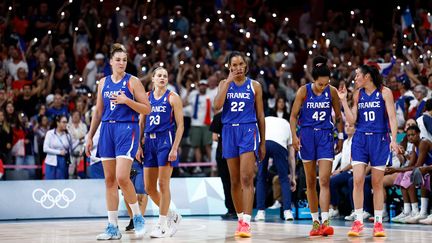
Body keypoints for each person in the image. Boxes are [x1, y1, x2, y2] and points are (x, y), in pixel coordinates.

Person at [85, 43, 151, 240]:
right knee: (110, 181)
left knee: (122, 177)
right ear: (111, 62)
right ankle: (112, 227)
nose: (121, 63)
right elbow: (98, 112)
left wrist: (127, 101)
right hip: (106, 129)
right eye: (118, 60)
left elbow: (146, 109)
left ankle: (138, 218)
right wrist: (90, 135)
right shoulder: (103, 82)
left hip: (126, 128)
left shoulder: (134, 82)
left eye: (124, 60)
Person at [338, 64, 401, 237]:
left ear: (367, 77)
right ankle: (358, 221)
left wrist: (394, 140)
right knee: (357, 180)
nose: (355, 78)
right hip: (360, 139)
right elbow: (351, 121)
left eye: (358, 75)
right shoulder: (358, 94)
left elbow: (393, 118)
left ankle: (378, 223)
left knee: (376, 183)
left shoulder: (385, 92)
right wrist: (343, 100)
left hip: (379, 139)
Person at [214, 51, 266, 238]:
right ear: (229, 67)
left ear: (246, 66)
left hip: (248, 130)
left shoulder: (255, 86)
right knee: (234, 180)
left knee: (246, 178)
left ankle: (246, 221)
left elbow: (260, 115)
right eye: (233, 65)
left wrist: (262, 143)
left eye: (240, 64)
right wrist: (227, 82)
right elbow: (216, 106)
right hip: (228, 131)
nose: (237, 68)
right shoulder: (224, 84)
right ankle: (239, 219)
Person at [289, 55, 343, 236]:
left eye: (326, 83)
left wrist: (341, 137)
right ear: (314, 80)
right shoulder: (303, 91)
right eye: (320, 84)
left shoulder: (332, 91)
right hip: (306, 136)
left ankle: (326, 221)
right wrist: (294, 137)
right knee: (310, 182)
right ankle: (315, 223)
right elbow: (293, 116)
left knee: (325, 180)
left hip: (325, 136)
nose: (323, 86)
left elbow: (339, 116)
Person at [137, 67, 184, 238]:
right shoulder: (146, 98)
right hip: (149, 142)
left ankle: (162, 224)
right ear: (153, 78)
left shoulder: (173, 98)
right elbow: (141, 123)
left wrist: (174, 147)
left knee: (163, 184)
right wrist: (138, 145)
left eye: (165, 75)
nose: (162, 77)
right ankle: (173, 215)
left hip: (165, 141)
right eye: (159, 75)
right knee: (149, 187)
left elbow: (181, 126)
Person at [255, 116, 296, 221]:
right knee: (283, 179)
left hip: (263, 143)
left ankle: (260, 212)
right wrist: (292, 176)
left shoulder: (265, 119)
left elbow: (254, 137)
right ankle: (287, 212)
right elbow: (291, 156)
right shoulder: (287, 124)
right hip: (279, 145)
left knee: (261, 178)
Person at [209, 112, 237, 220]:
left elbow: (215, 137)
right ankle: (239, 209)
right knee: (237, 181)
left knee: (226, 182)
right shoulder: (236, 114)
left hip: (222, 151)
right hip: (235, 151)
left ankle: (231, 210)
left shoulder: (218, 116)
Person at [43, 115, 72, 179]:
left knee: (62, 185)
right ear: (58, 123)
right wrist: (59, 152)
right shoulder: (50, 133)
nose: (65, 124)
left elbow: (70, 148)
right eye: (63, 122)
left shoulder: (67, 135)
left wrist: (79, 142)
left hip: (63, 162)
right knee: (50, 185)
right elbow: (45, 149)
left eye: (66, 122)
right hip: (51, 163)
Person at [124, 159, 148, 232]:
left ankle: (140, 220)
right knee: (126, 192)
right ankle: (132, 219)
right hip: (126, 160)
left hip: (141, 161)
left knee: (141, 190)